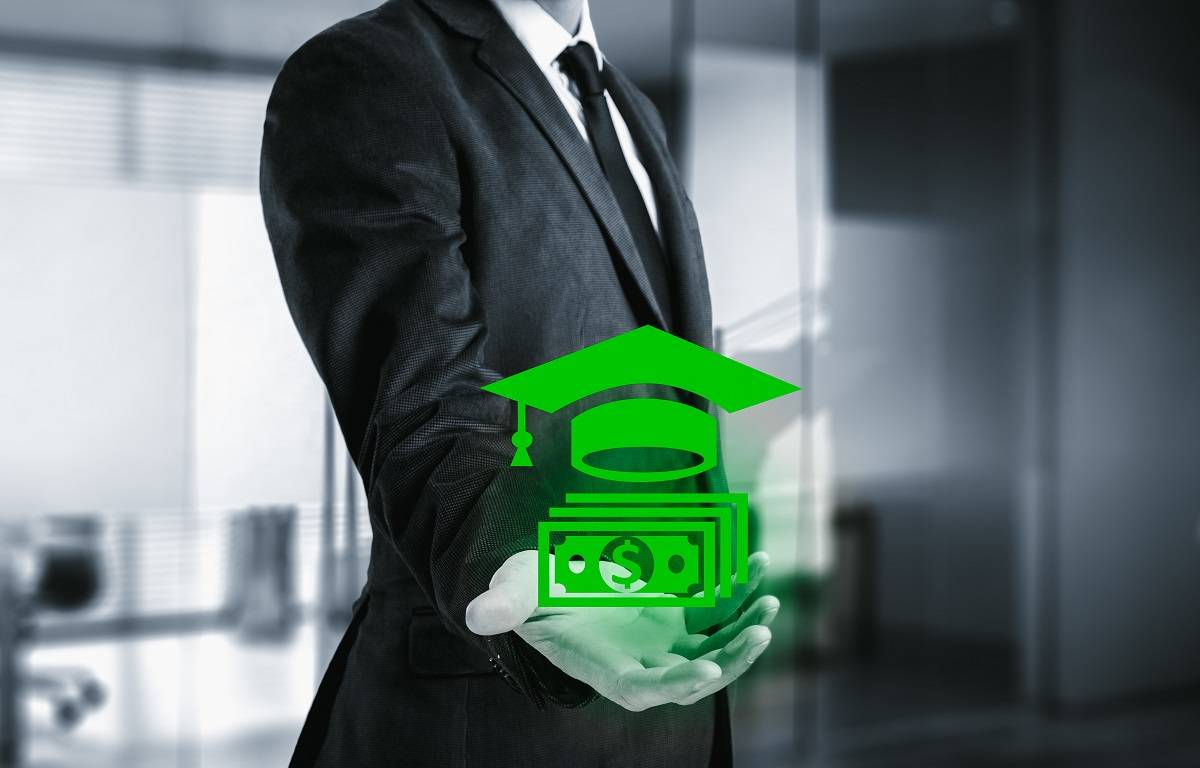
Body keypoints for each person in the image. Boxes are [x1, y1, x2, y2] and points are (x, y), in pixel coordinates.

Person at [260, 0, 779, 765]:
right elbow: (423, 395)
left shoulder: (629, 108)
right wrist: (523, 559)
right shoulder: (372, 71)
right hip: (485, 711)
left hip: (670, 684)